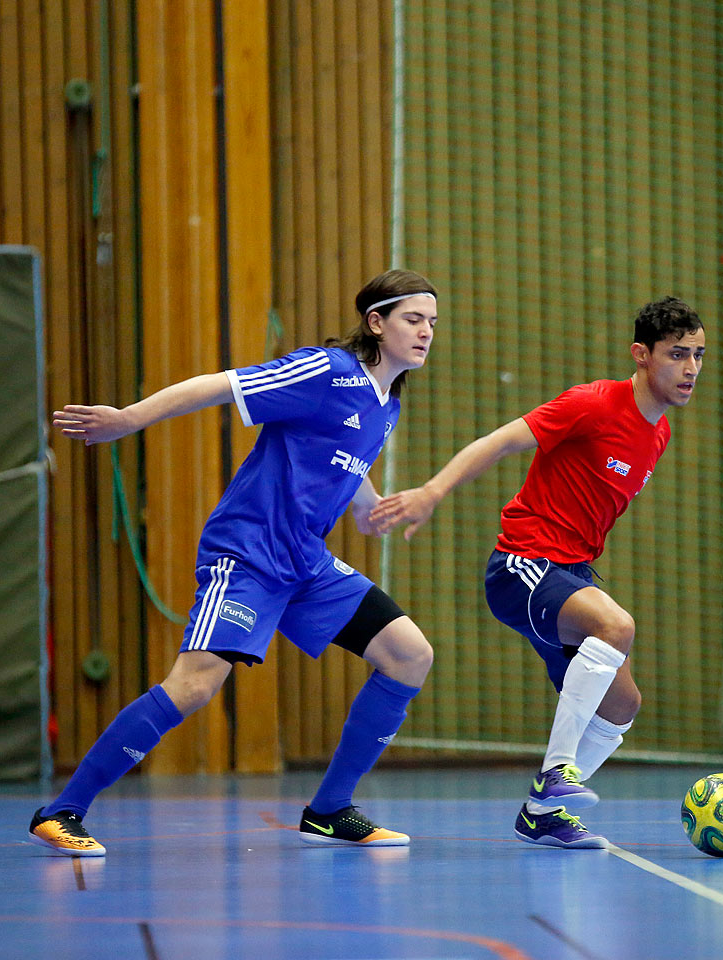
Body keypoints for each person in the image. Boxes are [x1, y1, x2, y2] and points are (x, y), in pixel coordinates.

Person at [28, 269, 440, 853]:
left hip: (307, 563)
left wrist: (370, 509)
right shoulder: (327, 369)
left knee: (408, 656)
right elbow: (219, 385)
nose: (426, 332)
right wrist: (129, 418)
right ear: (376, 323)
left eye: (432, 322)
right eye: (413, 319)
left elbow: (342, 457)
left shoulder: (386, 402)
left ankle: (329, 810)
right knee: (195, 686)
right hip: (248, 555)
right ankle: (62, 810)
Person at [371, 297, 706, 848]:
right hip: (523, 564)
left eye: (698, 355)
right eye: (677, 355)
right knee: (616, 627)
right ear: (641, 355)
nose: (691, 368)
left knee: (623, 704)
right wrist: (432, 491)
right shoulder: (595, 404)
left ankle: (541, 814)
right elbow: (500, 442)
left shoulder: (658, 433)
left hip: (573, 571)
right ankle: (556, 773)